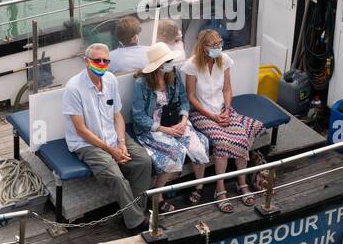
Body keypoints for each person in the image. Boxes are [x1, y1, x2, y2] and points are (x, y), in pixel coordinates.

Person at [62, 43, 153, 232]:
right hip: (87, 143)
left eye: (106, 60)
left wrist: (121, 143)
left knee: (143, 161)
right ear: (87, 61)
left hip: (113, 136)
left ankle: (135, 212)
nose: (102, 64)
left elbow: (117, 115)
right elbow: (81, 130)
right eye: (97, 60)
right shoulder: (74, 88)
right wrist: (111, 150)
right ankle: (136, 221)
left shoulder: (110, 79)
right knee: (116, 176)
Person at [183, 28, 263, 213]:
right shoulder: (192, 65)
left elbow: (227, 89)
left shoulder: (224, 60)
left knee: (242, 136)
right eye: (214, 45)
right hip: (201, 114)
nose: (218, 48)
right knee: (221, 141)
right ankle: (220, 189)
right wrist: (212, 116)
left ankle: (241, 182)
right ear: (203, 47)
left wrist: (227, 110)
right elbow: (192, 97)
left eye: (220, 44)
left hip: (222, 109)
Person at [131, 42, 210, 213]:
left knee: (197, 148)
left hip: (175, 120)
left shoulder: (173, 75)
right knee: (175, 153)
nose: (171, 64)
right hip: (155, 126)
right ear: (158, 66)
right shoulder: (141, 84)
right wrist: (164, 130)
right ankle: (157, 195)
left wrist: (183, 119)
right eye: (167, 61)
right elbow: (138, 116)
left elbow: (183, 100)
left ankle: (199, 186)